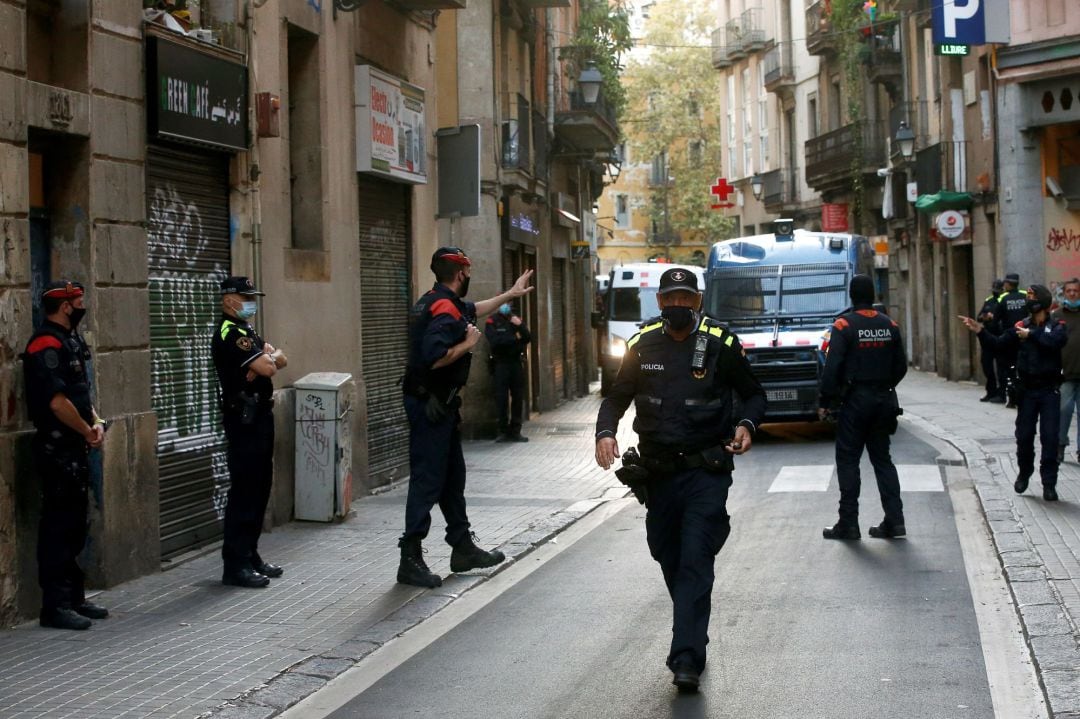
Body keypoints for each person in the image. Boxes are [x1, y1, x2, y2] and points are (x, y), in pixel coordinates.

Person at [594, 267, 765, 693]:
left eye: (685, 299)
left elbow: (754, 393)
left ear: (698, 301)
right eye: (670, 299)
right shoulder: (641, 343)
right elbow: (616, 398)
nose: (678, 307)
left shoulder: (720, 344)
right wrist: (605, 432)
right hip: (658, 475)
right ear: (660, 303)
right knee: (666, 552)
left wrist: (747, 424)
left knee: (694, 558)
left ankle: (686, 656)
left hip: (706, 472)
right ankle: (692, 621)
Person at [398, 247, 534, 588]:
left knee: (451, 478)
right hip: (430, 405)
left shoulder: (436, 299)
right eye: (468, 271)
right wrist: (468, 343)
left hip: (439, 405)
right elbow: (434, 357)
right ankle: (410, 558)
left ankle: (462, 547)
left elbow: (473, 308)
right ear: (461, 273)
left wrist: (511, 293)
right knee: (428, 479)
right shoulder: (444, 307)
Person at [21, 280, 108, 630]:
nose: (82, 306)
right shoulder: (45, 343)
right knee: (58, 527)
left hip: (75, 445)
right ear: (66, 305)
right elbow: (57, 402)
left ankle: (74, 597)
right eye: (78, 301)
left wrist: (96, 422)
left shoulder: (71, 340)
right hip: (57, 447)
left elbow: (81, 394)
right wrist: (86, 430)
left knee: (75, 524)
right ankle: (55, 606)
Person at [818, 275, 909, 541]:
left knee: (848, 461)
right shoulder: (889, 324)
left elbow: (832, 367)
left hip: (856, 401)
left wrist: (827, 401)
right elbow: (901, 366)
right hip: (884, 400)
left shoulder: (844, 325)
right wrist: (885, 385)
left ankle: (848, 523)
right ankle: (895, 520)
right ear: (873, 295)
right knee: (883, 461)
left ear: (851, 295)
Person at [211, 276, 288, 588]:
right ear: (230, 300)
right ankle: (236, 563)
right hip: (244, 419)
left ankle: (251, 554)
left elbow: (278, 359)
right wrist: (268, 358)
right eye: (246, 297)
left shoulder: (247, 331)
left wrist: (268, 357)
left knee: (260, 487)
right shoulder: (230, 332)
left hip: (260, 416)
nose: (250, 302)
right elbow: (271, 366)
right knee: (245, 490)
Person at [961, 284, 1067, 501]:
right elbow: (999, 344)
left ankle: (1049, 483)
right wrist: (981, 331)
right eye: (1027, 296)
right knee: (1025, 436)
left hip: (1049, 391)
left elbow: (1054, 343)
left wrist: (1032, 335)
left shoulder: (1057, 325)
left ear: (1042, 301)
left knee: (1050, 437)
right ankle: (1024, 472)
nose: (1028, 300)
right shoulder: (1021, 326)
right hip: (1027, 391)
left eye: (1032, 296)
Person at [485, 303, 531, 442]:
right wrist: (515, 339)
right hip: (500, 364)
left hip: (516, 363)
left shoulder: (516, 320)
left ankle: (516, 430)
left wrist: (520, 326)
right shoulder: (492, 321)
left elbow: (527, 337)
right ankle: (503, 431)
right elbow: (495, 341)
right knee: (501, 398)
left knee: (518, 397)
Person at [994, 273, 1029, 407]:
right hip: (1024, 336)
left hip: (1009, 338)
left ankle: (1011, 396)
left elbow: (995, 320)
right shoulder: (1025, 295)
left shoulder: (1003, 298)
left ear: (1007, 284)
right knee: (1023, 367)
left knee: (1008, 368)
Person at [1055, 278, 1080, 463]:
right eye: (1069, 291)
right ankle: (1060, 444)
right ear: (1064, 293)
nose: (1072, 294)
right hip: (1065, 374)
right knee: (1063, 411)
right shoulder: (1057, 316)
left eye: (1076, 291)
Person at [977, 279, 1006, 403]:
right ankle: (991, 391)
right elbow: (978, 317)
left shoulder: (1005, 300)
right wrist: (985, 317)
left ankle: (1001, 393)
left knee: (1001, 367)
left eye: (997, 289)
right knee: (986, 365)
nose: (995, 292)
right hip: (988, 338)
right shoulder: (988, 301)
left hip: (1000, 338)